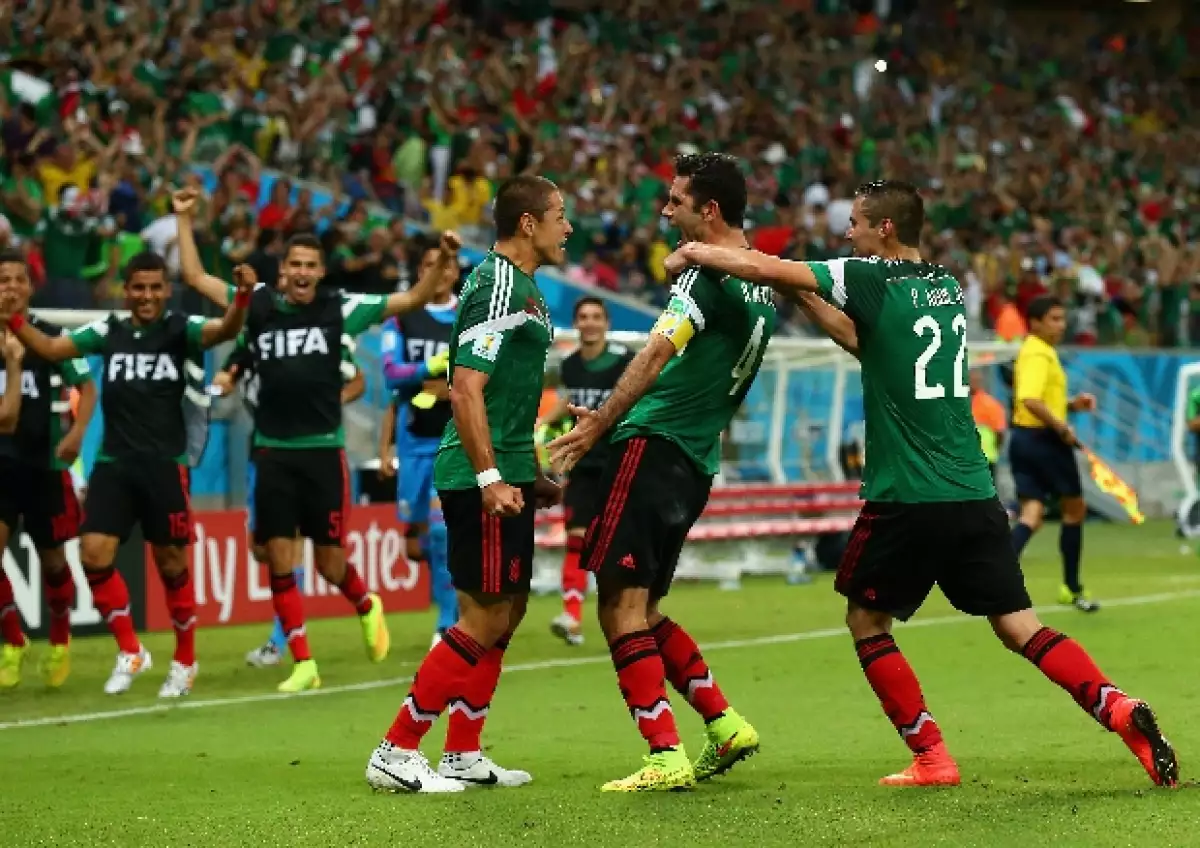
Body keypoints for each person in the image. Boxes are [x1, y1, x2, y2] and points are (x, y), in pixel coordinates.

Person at [661, 179, 1178, 789]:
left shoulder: (870, 276)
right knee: (1021, 626)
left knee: (865, 622)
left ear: (884, 229)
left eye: (855, 221)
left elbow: (757, 262)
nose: (847, 232)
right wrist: (800, 296)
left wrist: (691, 252)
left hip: (906, 494)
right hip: (973, 493)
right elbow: (866, 342)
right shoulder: (946, 286)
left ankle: (932, 755)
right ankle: (1116, 707)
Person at [548, 152, 769, 792]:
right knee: (645, 608)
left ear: (711, 210)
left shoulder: (703, 280)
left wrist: (602, 421)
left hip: (652, 449)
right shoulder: (760, 283)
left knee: (618, 608)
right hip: (695, 461)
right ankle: (723, 724)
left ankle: (662, 753)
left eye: (675, 201)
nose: (665, 211)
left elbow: (655, 351)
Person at [173, 187, 442, 694]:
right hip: (272, 452)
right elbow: (194, 278)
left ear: (321, 272)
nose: (301, 272)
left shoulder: (341, 307)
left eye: (309, 265)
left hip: (322, 453)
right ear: (284, 270)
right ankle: (303, 661)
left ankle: (366, 603)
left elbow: (411, 299)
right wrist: (185, 221)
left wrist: (444, 262)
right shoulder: (258, 305)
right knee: (279, 558)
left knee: (329, 562)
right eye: (293, 263)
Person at [365, 175, 569, 794]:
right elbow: (466, 387)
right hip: (478, 478)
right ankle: (396, 748)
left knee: (506, 615)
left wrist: (529, 473)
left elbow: (511, 393)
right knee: (480, 618)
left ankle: (462, 751)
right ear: (528, 223)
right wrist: (488, 476)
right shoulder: (496, 284)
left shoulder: (529, 290)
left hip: (510, 474)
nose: (568, 227)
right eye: (559, 215)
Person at [2, 251, 254, 697]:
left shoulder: (181, 330)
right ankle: (131, 649)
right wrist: (17, 324)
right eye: (138, 287)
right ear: (126, 290)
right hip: (114, 464)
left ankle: (185, 661)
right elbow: (55, 348)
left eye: (155, 287)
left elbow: (225, 330)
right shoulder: (108, 331)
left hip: (164, 465)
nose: (147, 296)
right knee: (94, 554)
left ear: (165, 290)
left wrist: (242, 300)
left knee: (172, 565)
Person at [212, 285, 366, 669]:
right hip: (264, 446)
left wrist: (332, 401)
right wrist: (225, 380)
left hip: (307, 449)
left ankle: (282, 642)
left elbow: (357, 379)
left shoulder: (312, 338)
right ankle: (287, 636)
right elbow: (231, 369)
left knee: (290, 544)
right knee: (262, 548)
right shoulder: (254, 338)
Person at [0, 250, 96, 689]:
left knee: (54, 564)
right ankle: (14, 641)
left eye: (19, 280)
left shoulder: (51, 336)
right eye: (3, 280)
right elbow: (7, 421)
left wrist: (77, 432)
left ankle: (60, 641)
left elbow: (86, 386)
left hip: (41, 465)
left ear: (30, 288)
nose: (11, 288)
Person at [377, 233, 463, 648]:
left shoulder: (467, 317)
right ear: (419, 271)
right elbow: (391, 375)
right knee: (417, 546)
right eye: (430, 264)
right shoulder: (402, 319)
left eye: (445, 265)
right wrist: (426, 369)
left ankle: (448, 622)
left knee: (442, 530)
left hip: (455, 440)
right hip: (412, 443)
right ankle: (456, 598)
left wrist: (454, 386)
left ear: (455, 270)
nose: (439, 272)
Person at [539, 296, 634, 647]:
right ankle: (573, 618)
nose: (590, 322)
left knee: (614, 546)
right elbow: (571, 400)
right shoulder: (570, 365)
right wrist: (544, 424)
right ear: (577, 323)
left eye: (596, 316)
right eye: (583, 317)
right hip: (582, 465)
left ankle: (625, 615)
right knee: (576, 539)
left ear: (606, 322)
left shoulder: (626, 360)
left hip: (619, 464)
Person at [1009, 296, 1100, 612]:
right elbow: (1030, 400)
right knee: (1074, 510)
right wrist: (1062, 427)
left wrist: (1073, 405)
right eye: (1054, 319)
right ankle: (1071, 588)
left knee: (1031, 515)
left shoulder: (1040, 352)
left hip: (1024, 439)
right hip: (1044, 441)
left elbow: (1039, 400)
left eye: (1062, 319)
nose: (1060, 325)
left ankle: (997, 580)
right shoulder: (1037, 353)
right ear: (1035, 322)